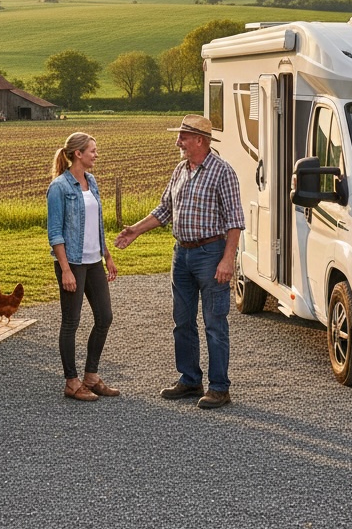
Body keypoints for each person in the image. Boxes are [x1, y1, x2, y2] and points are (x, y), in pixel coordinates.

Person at [115, 115, 244, 409]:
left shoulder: (223, 172)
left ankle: (219, 388)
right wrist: (135, 230)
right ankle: (189, 379)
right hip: (182, 254)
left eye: (183, 137)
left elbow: (236, 221)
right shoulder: (180, 170)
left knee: (214, 323)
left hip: (211, 254)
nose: (178, 142)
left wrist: (228, 260)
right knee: (182, 321)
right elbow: (164, 210)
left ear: (200, 140)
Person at [47, 131, 120, 401]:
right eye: (92, 150)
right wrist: (65, 269)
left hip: (93, 262)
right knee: (71, 322)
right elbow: (55, 232)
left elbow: (97, 225)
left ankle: (91, 376)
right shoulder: (60, 187)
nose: (96, 154)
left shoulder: (92, 181)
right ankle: (71, 382)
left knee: (105, 317)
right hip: (73, 264)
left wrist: (107, 255)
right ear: (78, 154)